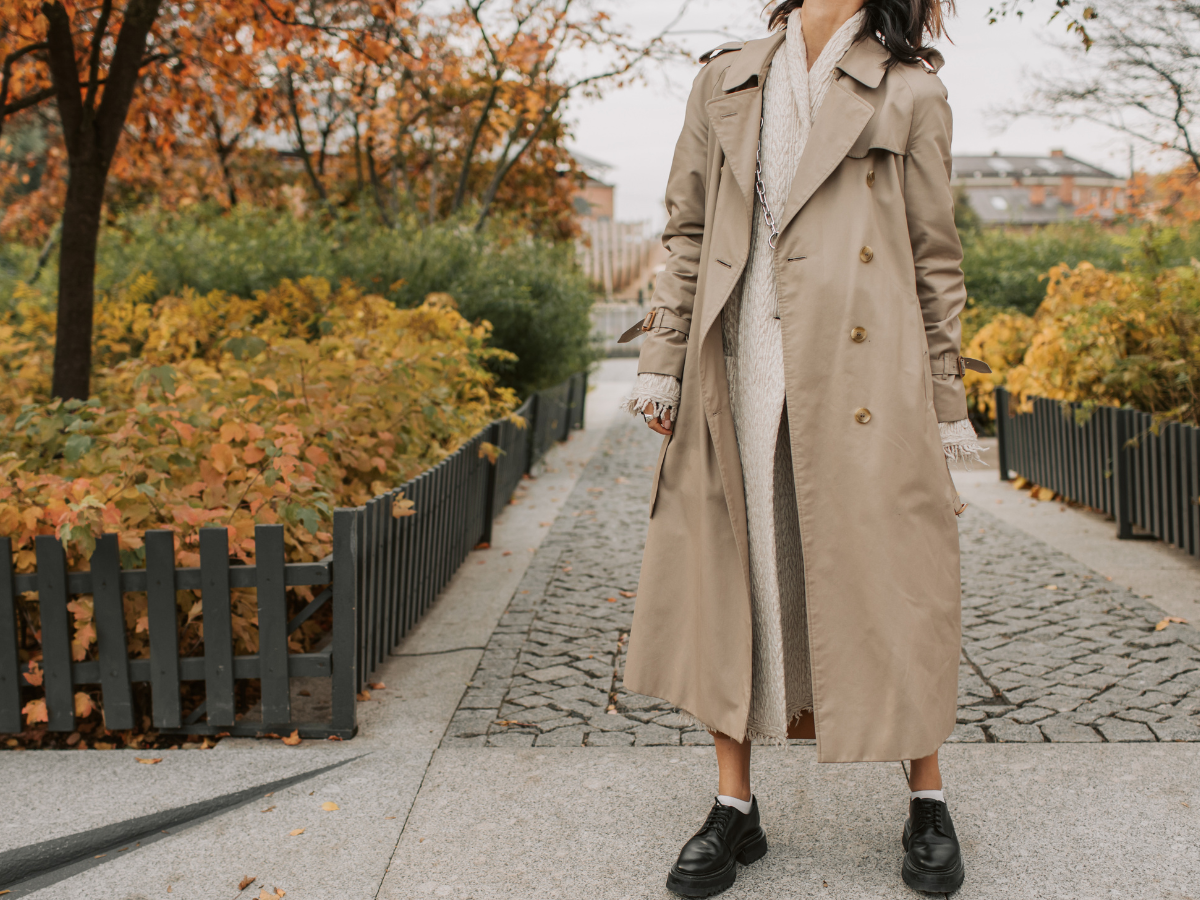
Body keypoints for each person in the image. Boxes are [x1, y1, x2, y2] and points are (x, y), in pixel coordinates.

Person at [618, 0, 982, 895]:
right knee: (728, 581)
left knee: (899, 576)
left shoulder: (908, 88)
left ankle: (927, 799)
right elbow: (689, 231)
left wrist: (945, 405)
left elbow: (936, 259)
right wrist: (663, 360)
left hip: (867, 375)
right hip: (737, 363)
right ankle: (733, 809)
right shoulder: (727, 77)